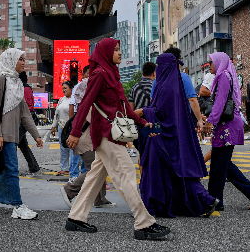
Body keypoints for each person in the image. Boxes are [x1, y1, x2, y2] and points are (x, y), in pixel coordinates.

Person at [65, 38, 170, 240]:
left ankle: (76, 217)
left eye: (120, 49)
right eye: (116, 50)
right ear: (105, 52)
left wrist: (142, 123)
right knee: (126, 171)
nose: (120, 53)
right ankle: (144, 223)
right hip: (106, 133)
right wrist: (75, 131)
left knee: (95, 176)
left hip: (112, 132)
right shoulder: (100, 74)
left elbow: (123, 108)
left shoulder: (112, 73)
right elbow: (86, 103)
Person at [139, 53, 218, 218]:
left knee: (157, 168)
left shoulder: (165, 86)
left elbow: (158, 112)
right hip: (173, 132)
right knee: (177, 170)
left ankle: (156, 204)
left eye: (159, 66)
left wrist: (139, 113)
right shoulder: (177, 83)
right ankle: (206, 199)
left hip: (163, 134)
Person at [0, 48, 44, 219]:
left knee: (1, 170)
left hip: (12, 135)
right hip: (2, 135)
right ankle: (17, 206)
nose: (23, 62)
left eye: (23, 59)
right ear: (11, 60)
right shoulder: (1, 80)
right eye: (20, 59)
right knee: (12, 169)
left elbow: (25, 113)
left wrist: (36, 135)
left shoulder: (17, 83)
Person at [202, 52, 250, 211]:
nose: (210, 66)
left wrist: (210, 120)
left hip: (227, 125)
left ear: (219, 62)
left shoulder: (223, 76)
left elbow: (221, 101)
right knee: (222, 163)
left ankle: (215, 200)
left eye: (211, 63)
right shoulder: (225, 76)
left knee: (218, 165)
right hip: (226, 124)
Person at [62, 64, 116, 210]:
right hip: (86, 137)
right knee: (94, 169)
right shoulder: (87, 96)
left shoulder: (92, 96)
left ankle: (100, 199)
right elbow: (88, 117)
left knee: (100, 165)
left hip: (90, 136)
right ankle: (70, 189)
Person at [128, 62, 156, 157]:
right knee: (153, 155)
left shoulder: (134, 87)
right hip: (154, 126)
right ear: (154, 73)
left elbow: (131, 110)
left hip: (138, 127)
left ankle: (143, 172)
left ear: (142, 74)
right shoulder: (156, 87)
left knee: (142, 155)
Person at [18, 71, 41, 176]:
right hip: (23, 117)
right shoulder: (24, 87)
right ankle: (34, 167)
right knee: (23, 145)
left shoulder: (25, 88)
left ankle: (9, 168)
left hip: (24, 117)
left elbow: (26, 106)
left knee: (13, 143)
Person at [52, 81, 73, 177]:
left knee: (73, 148)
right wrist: (53, 126)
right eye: (63, 88)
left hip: (72, 127)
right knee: (63, 148)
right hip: (61, 127)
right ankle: (64, 168)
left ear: (71, 88)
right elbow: (57, 115)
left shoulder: (75, 100)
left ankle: (73, 168)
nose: (64, 90)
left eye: (66, 88)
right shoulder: (61, 100)